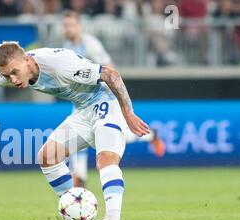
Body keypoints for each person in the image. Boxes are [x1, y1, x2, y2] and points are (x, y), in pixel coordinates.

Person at [0, 41, 151, 220]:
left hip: (107, 105)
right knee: (48, 156)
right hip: (82, 112)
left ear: (27, 60)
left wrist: (128, 113)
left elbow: (110, 74)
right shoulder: (15, 69)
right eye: (7, 75)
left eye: (14, 72)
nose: (12, 79)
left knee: (106, 160)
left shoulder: (60, 66)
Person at [63, 10, 165, 188]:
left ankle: (151, 135)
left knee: (118, 134)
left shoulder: (90, 45)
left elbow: (109, 68)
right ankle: (79, 177)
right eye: (65, 26)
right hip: (81, 100)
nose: (68, 29)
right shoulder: (67, 46)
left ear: (79, 26)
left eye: (71, 25)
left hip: (100, 97)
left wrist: (114, 95)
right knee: (75, 134)